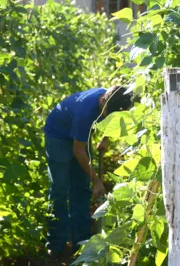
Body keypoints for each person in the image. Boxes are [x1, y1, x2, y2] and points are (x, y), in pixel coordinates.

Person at [43, 85, 133, 259]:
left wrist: (106, 138)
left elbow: (115, 119)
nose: (107, 117)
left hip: (80, 137)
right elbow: (78, 151)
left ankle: (81, 241)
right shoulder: (86, 111)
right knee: (60, 189)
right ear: (102, 102)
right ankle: (56, 244)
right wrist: (97, 180)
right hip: (58, 137)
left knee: (82, 188)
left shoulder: (115, 97)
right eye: (106, 114)